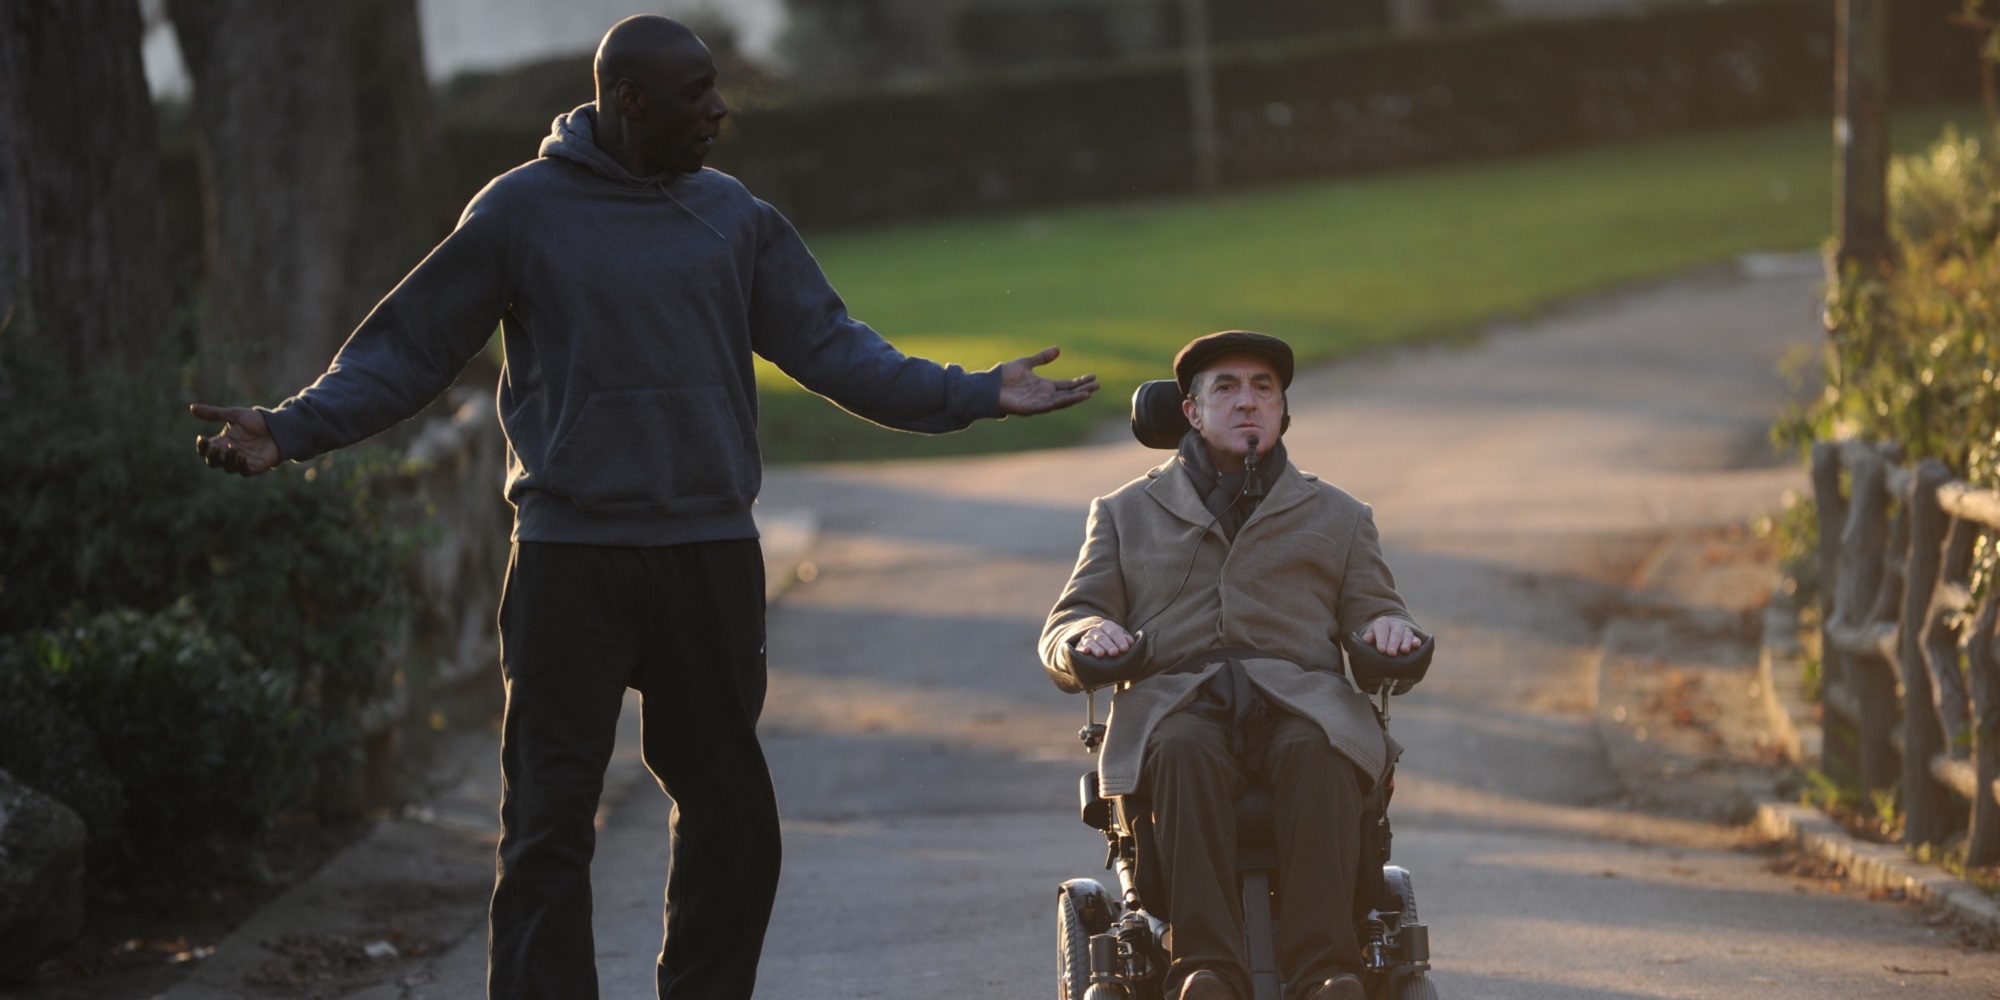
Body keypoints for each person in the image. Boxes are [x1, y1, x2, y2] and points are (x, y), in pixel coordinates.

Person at [190, 15, 1097, 1000]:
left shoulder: (734, 217)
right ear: (628, 99)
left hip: (706, 552)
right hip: (568, 559)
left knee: (731, 815)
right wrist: (293, 427)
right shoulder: (519, 212)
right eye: (696, 92)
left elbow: (837, 349)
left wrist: (972, 392)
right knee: (545, 824)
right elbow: (408, 347)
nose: (719, 109)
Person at [1038, 331, 1420, 1000]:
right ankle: (1203, 972)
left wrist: (1388, 630)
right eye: (1227, 387)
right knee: (1183, 750)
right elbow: (1067, 621)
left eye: (1263, 388)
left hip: (1300, 703)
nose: (1248, 402)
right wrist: (1087, 633)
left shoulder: (1339, 515)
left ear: (1282, 410)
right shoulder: (1126, 513)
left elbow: (1379, 610)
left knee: (1320, 752)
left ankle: (1325, 972)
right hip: (1178, 704)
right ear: (1190, 411)